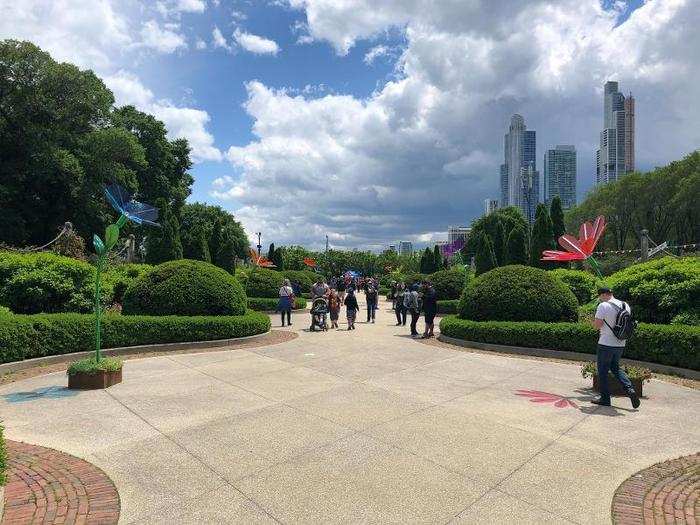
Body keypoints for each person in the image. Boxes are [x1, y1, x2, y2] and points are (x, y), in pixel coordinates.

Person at [592, 286, 640, 408]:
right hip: (620, 343)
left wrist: (594, 323)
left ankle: (605, 399)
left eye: (599, 296)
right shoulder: (625, 305)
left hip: (605, 343)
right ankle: (630, 390)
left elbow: (597, 325)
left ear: (602, 295)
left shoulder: (603, 305)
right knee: (615, 368)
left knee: (602, 371)